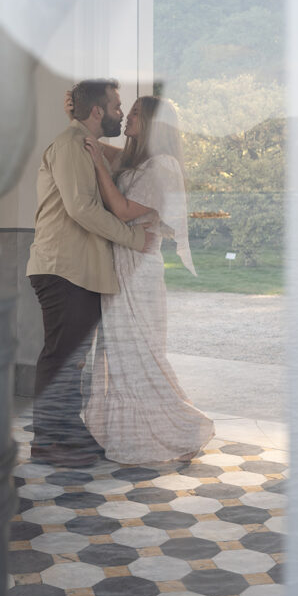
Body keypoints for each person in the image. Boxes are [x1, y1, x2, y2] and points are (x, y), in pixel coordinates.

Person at [79, 94, 215, 463]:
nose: (127, 118)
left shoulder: (163, 166)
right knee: (121, 354)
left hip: (139, 270)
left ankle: (179, 427)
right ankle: (132, 432)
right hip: (121, 264)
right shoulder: (136, 162)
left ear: (154, 123)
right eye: (129, 111)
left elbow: (122, 210)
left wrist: (94, 159)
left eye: (136, 113)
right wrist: (84, 132)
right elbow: (110, 155)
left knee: (142, 352)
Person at [26, 79, 155, 467]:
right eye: (117, 106)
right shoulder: (70, 145)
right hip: (63, 269)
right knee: (61, 357)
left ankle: (66, 435)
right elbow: (81, 209)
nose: (121, 112)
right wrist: (133, 239)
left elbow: (129, 158)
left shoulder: (86, 144)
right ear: (98, 111)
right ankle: (48, 442)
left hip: (78, 270)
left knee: (73, 360)